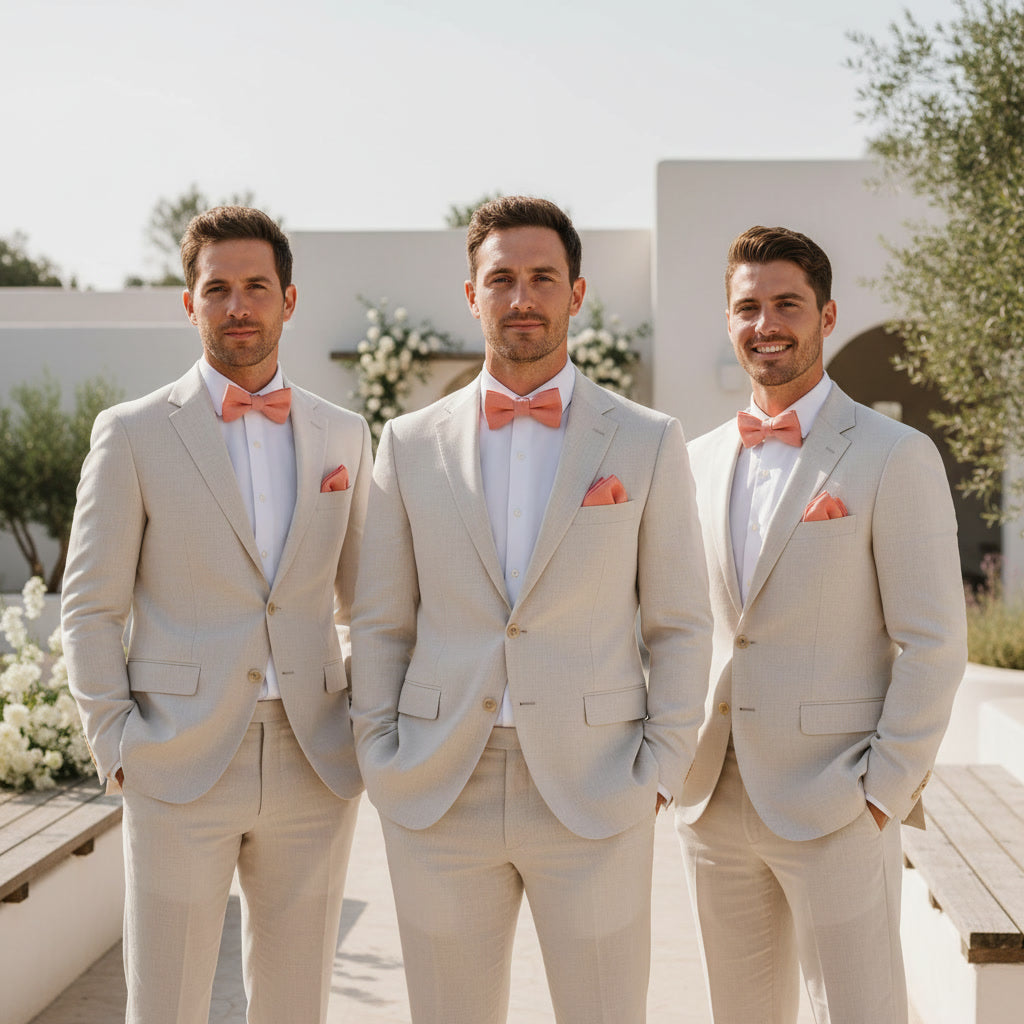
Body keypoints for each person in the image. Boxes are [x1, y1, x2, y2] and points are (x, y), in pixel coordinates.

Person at [350, 195, 712, 1024]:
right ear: (472, 293)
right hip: (440, 782)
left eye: (543, 277)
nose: (522, 297)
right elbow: (379, 621)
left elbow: (680, 623)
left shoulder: (647, 440)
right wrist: (380, 749)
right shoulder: (407, 443)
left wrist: (658, 768)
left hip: (596, 785)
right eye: (502, 278)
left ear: (576, 294)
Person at [61, 206, 371, 1024]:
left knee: (296, 1004)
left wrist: (364, 721)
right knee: (165, 1004)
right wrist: (117, 745)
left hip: (314, 759)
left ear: (289, 301)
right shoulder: (129, 434)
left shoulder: (345, 435)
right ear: (189, 303)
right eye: (218, 289)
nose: (239, 306)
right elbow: (90, 605)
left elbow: (368, 604)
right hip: (176, 759)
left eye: (256, 288)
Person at [677, 224, 968, 1023]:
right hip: (711, 797)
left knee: (860, 1011)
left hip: (838, 797)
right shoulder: (694, 460)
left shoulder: (892, 454)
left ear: (827, 315)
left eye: (787, 304)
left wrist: (882, 789)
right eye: (748, 307)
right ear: (729, 318)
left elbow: (934, 640)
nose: (765, 323)